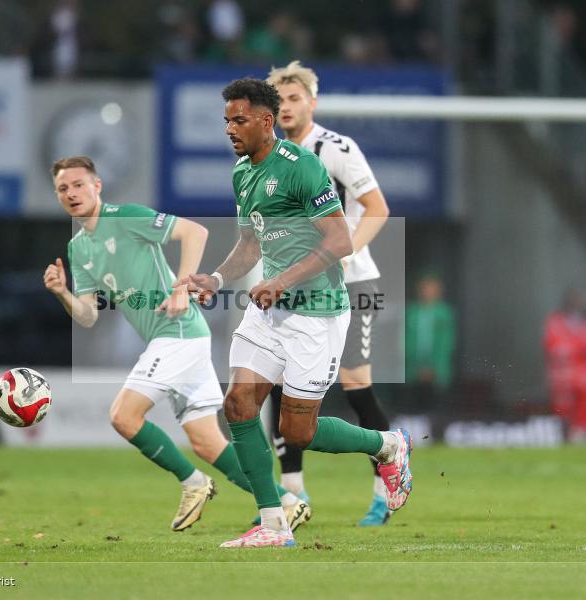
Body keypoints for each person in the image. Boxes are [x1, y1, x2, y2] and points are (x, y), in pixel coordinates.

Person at [176, 78, 412, 548]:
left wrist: (282, 279)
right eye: (226, 120)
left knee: (297, 432)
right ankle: (273, 524)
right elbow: (249, 242)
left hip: (317, 313)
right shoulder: (242, 172)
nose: (230, 128)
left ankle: (387, 444)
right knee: (239, 404)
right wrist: (218, 279)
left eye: (238, 119)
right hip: (269, 311)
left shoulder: (301, 166)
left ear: (266, 120)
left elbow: (340, 240)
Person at [43, 155, 309, 533]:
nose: (72, 193)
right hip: (177, 338)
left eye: (79, 185)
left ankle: (194, 483)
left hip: (178, 332)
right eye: (63, 189)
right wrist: (61, 292)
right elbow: (88, 316)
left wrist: (182, 286)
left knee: (123, 416)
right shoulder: (79, 248)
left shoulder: (126, 216)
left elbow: (194, 232)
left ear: (97, 186)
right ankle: (286, 502)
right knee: (206, 442)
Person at [265, 60, 393, 526]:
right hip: (298, 285)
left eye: (295, 99)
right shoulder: (269, 158)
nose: (287, 108)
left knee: (356, 385)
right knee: (277, 381)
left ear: (311, 103)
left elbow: (378, 208)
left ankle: (384, 487)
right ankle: (292, 495)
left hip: (352, 281)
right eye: (279, 101)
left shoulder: (335, 148)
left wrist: (345, 249)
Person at [543, 288, 586, 442]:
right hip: (562, 374)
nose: (577, 304)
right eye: (574, 300)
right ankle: (562, 434)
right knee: (562, 406)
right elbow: (554, 347)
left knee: (585, 404)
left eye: (580, 300)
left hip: (585, 373)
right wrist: (579, 349)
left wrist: (575, 349)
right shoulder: (555, 320)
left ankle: (582, 435)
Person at [404, 272, 456, 410]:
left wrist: (434, 368)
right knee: (412, 410)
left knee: (437, 410)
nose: (429, 292)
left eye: (433, 288)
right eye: (426, 287)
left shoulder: (444, 313)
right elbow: (405, 341)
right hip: (413, 371)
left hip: (437, 373)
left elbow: (447, 344)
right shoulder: (412, 312)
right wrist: (416, 366)